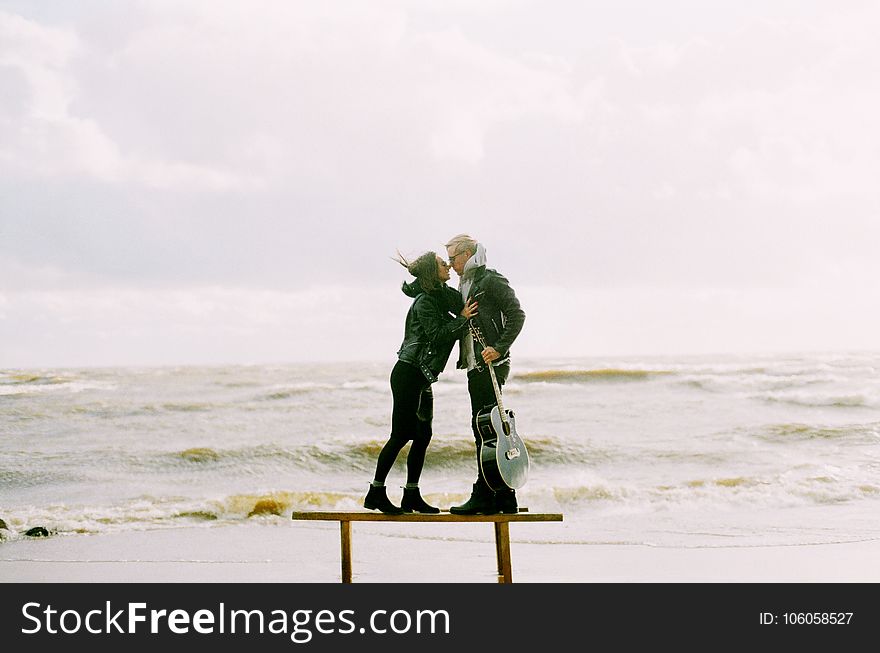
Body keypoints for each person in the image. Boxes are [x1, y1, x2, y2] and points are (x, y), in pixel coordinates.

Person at [364, 250, 479, 514]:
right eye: (442, 263)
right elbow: (438, 335)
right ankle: (376, 492)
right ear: (432, 271)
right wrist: (462, 320)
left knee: (423, 435)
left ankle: (411, 494)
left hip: (423, 376)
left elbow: (461, 299)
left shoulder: (439, 295)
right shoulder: (425, 302)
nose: (448, 265)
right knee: (401, 434)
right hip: (408, 373)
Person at [445, 234, 525, 515]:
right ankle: (503, 497)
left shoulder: (490, 279)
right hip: (475, 365)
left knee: (486, 430)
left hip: (491, 364)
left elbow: (517, 314)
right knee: (487, 430)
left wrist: (499, 348)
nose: (450, 263)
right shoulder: (464, 284)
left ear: (467, 255)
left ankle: (486, 493)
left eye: (453, 258)